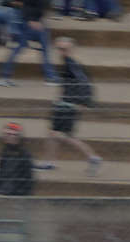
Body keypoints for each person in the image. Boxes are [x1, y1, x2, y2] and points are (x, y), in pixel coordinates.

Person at [35, 36, 100, 173]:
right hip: (63, 104)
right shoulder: (68, 63)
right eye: (59, 48)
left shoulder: (72, 64)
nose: (61, 51)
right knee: (53, 133)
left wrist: (84, 102)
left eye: (64, 49)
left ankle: (92, 158)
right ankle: (49, 162)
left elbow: (84, 83)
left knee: (63, 136)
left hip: (68, 106)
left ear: (71, 49)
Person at [0, 0, 54, 85]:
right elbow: (26, 5)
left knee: (30, 48)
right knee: (22, 48)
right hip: (30, 23)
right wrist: (32, 20)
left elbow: (42, 4)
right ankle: (49, 76)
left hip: (37, 22)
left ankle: (3, 76)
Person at [0, 121, 34, 195]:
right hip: (4, 191)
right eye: (8, 134)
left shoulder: (24, 155)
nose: (11, 137)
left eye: (14, 135)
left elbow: (27, 180)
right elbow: (1, 175)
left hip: (17, 193)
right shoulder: (3, 154)